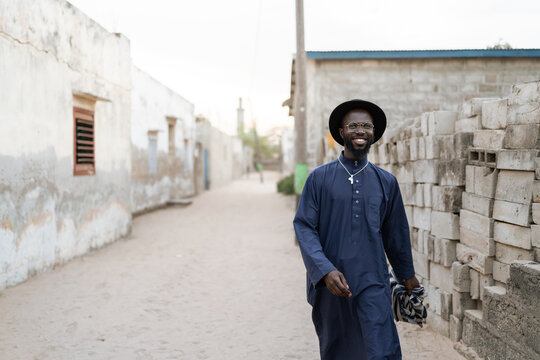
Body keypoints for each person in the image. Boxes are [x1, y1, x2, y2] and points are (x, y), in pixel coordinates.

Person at [293, 99, 420, 360]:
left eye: (366, 126)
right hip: (331, 286)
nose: (360, 131)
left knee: (381, 350)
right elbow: (304, 227)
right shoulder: (319, 179)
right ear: (341, 133)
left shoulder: (386, 182)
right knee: (338, 350)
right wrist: (325, 270)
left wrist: (407, 275)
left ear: (374, 133)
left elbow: (396, 233)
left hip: (373, 281)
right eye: (353, 125)